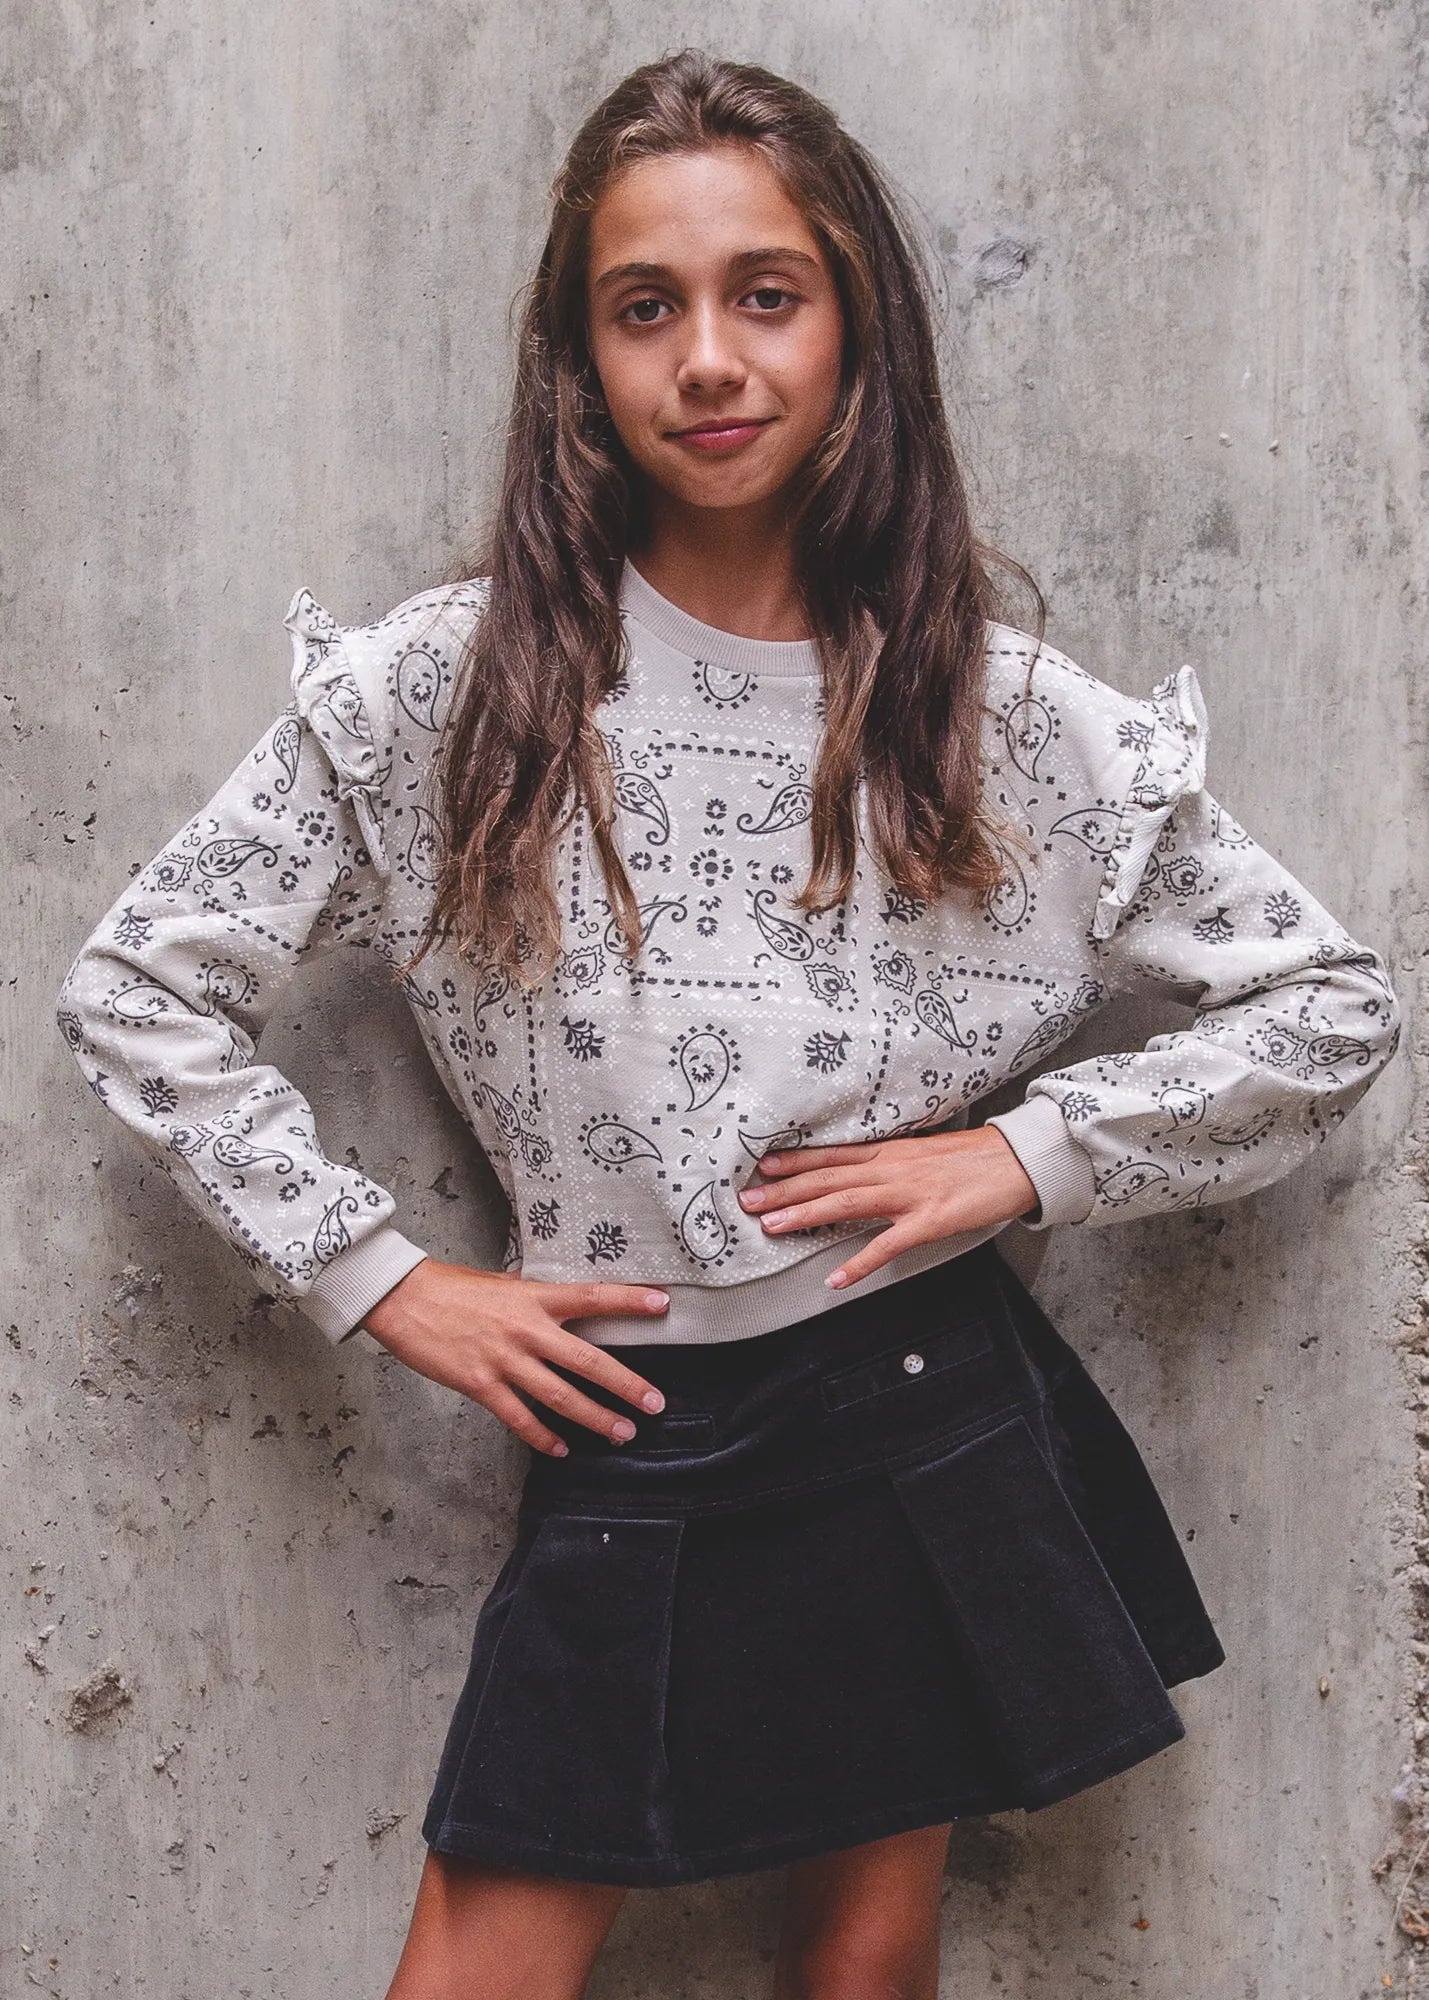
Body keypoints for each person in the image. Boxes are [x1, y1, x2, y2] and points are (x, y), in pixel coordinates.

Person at [54, 47, 1401, 2000]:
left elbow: (1326, 1004)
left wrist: (1016, 1156)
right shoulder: (447, 689)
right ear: (574, 354)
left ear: (856, 328)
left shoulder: (991, 708)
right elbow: (139, 990)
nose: (707, 355)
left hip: (920, 1391)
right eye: (644, 304)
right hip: (629, 1420)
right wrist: (385, 1279)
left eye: (765, 293)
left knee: (860, 1970)